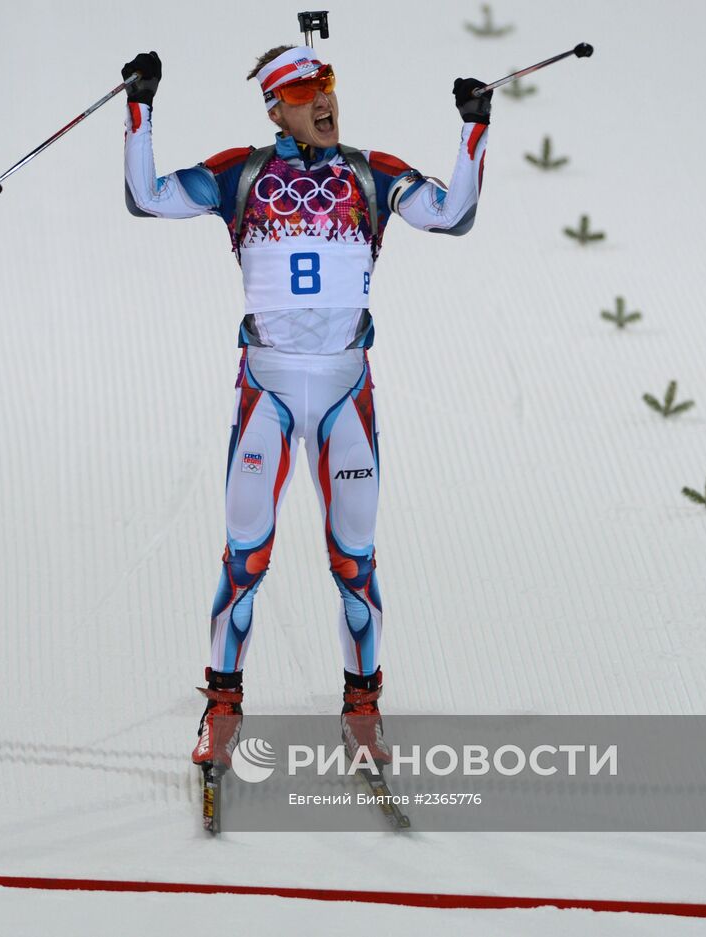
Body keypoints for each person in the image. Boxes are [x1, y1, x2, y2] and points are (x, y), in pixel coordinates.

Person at [120, 45, 491, 771]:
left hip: (346, 392)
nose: (324, 102)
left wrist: (473, 128)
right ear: (275, 107)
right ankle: (223, 708)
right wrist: (140, 107)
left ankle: (362, 710)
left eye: (327, 87)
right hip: (269, 390)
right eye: (305, 91)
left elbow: (453, 216)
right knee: (246, 554)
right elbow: (148, 196)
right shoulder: (243, 174)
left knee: (353, 560)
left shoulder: (368, 172)